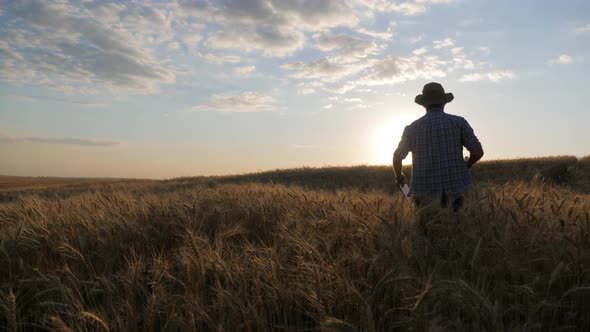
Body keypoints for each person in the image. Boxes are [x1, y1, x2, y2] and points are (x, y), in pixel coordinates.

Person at [392, 82, 483, 211]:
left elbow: (397, 158)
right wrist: (466, 166)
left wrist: (399, 176)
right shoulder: (459, 123)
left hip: (423, 195)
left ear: (423, 104)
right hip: (456, 191)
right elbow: (478, 152)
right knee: (458, 227)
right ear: (444, 102)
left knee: (427, 229)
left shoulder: (411, 128)